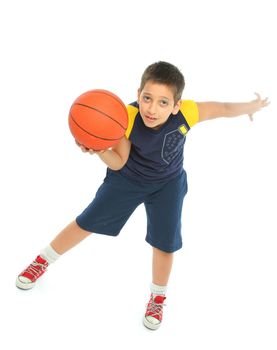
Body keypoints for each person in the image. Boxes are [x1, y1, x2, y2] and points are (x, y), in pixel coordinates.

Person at [16, 61, 270, 330]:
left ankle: (158, 297)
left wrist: (250, 107)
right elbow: (119, 162)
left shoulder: (189, 112)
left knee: (165, 243)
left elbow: (223, 108)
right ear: (138, 94)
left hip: (168, 184)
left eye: (163, 102)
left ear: (176, 105)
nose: (151, 108)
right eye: (147, 98)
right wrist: (99, 148)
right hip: (128, 179)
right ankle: (42, 260)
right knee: (87, 221)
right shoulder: (125, 116)